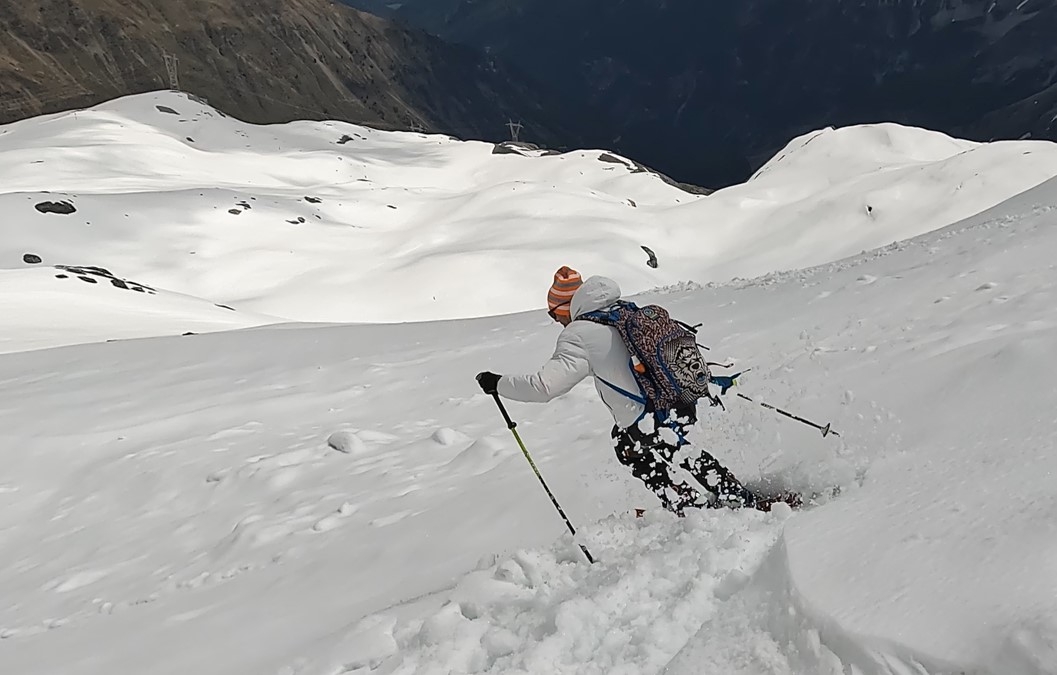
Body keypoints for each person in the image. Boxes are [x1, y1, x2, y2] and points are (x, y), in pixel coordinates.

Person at [476, 266, 763, 515]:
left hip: (647, 414)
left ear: (565, 308)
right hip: (676, 398)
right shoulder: (623, 310)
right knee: (642, 446)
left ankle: (711, 500)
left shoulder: (578, 334)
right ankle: (706, 496)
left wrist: (497, 383)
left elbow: (545, 387)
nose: (556, 321)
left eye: (554, 314)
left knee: (652, 449)